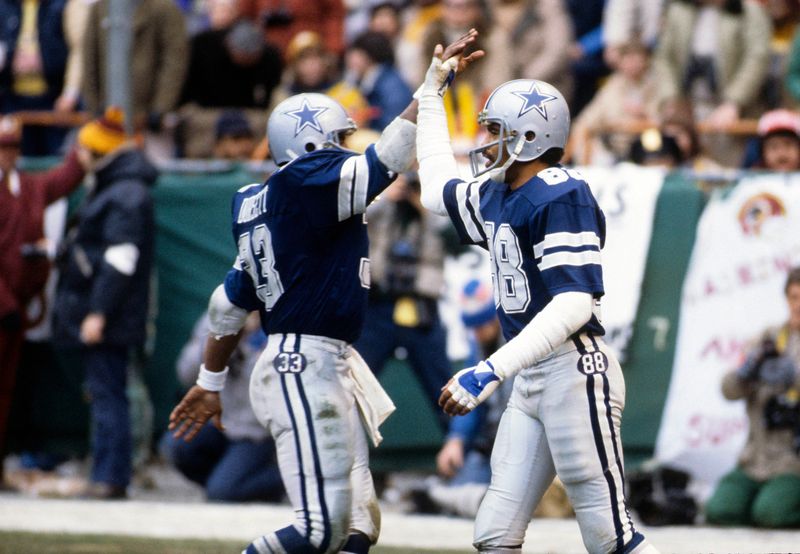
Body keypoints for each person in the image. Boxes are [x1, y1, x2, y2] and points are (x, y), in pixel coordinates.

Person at [168, 29, 483, 554]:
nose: (342, 150)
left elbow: (229, 303)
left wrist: (210, 378)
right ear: (309, 144)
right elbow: (384, 163)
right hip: (304, 362)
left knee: (358, 526)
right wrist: (429, 91)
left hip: (318, 360)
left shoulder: (268, 200)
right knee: (321, 528)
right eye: (336, 140)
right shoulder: (305, 181)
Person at [415, 38, 658, 553]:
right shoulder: (499, 191)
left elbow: (574, 304)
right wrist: (433, 93)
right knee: (494, 534)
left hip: (574, 371)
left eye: (497, 131)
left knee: (607, 534)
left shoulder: (561, 192)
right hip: (531, 378)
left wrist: (487, 369)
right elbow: (435, 189)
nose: (486, 142)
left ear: (530, 135)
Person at [51, 107, 157, 500]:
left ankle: (111, 476)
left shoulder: (125, 193)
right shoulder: (116, 187)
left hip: (111, 315)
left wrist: (98, 312)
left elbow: (120, 259)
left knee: (109, 394)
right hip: (107, 312)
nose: (76, 156)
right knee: (106, 393)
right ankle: (107, 473)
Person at [0, 114, 85, 486]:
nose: (8, 154)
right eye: (4, 147)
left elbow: (62, 180)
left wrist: (86, 144)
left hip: (18, 309)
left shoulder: (26, 186)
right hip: (6, 307)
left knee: (6, 391)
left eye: (14, 147)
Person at [354, 172, 459, 434]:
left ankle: (463, 451)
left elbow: (457, 241)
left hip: (421, 309)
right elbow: (354, 220)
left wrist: (423, 206)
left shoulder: (432, 210)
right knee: (356, 385)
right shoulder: (382, 205)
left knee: (444, 388)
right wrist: (386, 197)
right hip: (378, 307)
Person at [705, 267, 800, 528]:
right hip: (755, 459)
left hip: (793, 462)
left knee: (770, 514)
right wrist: (746, 375)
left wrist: (793, 378)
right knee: (720, 510)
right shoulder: (769, 338)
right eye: (794, 297)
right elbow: (728, 391)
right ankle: (762, 501)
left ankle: (770, 504)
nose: (798, 306)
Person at [161, 312, 284, 502]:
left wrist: (256, 350)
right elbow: (185, 373)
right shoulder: (223, 313)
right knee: (175, 445)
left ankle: (285, 481)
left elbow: (271, 391)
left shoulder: (282, 322)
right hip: (221, 421)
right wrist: (224, 343)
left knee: (222, 492)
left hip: (259, 432)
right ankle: (228, 482)